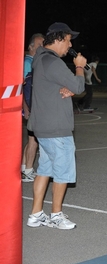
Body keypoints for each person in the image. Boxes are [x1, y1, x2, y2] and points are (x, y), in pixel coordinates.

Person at [26, 22, 86, 230]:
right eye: (69, 40)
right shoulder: (53, 62)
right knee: (62, 171)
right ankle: (56, 215)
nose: (70, 46)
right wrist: (79, 65)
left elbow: (58, 87)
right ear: (60, 38)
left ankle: (36, 214)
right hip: (56, 127)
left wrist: (67, 89)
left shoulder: (40, 60)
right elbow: (79, 85)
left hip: (43, 127)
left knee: (45, 169)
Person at [21, 33, 44, 182]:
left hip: (29, 106)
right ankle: (28, 170)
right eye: (39, 45)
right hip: (30, 106)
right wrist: (27, 108)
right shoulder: (29, 63)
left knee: (31, 139)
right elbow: (23, 87)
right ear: (31, 47)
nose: (42, 47)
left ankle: (25, 167)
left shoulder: (31, 62)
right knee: (33, 139)